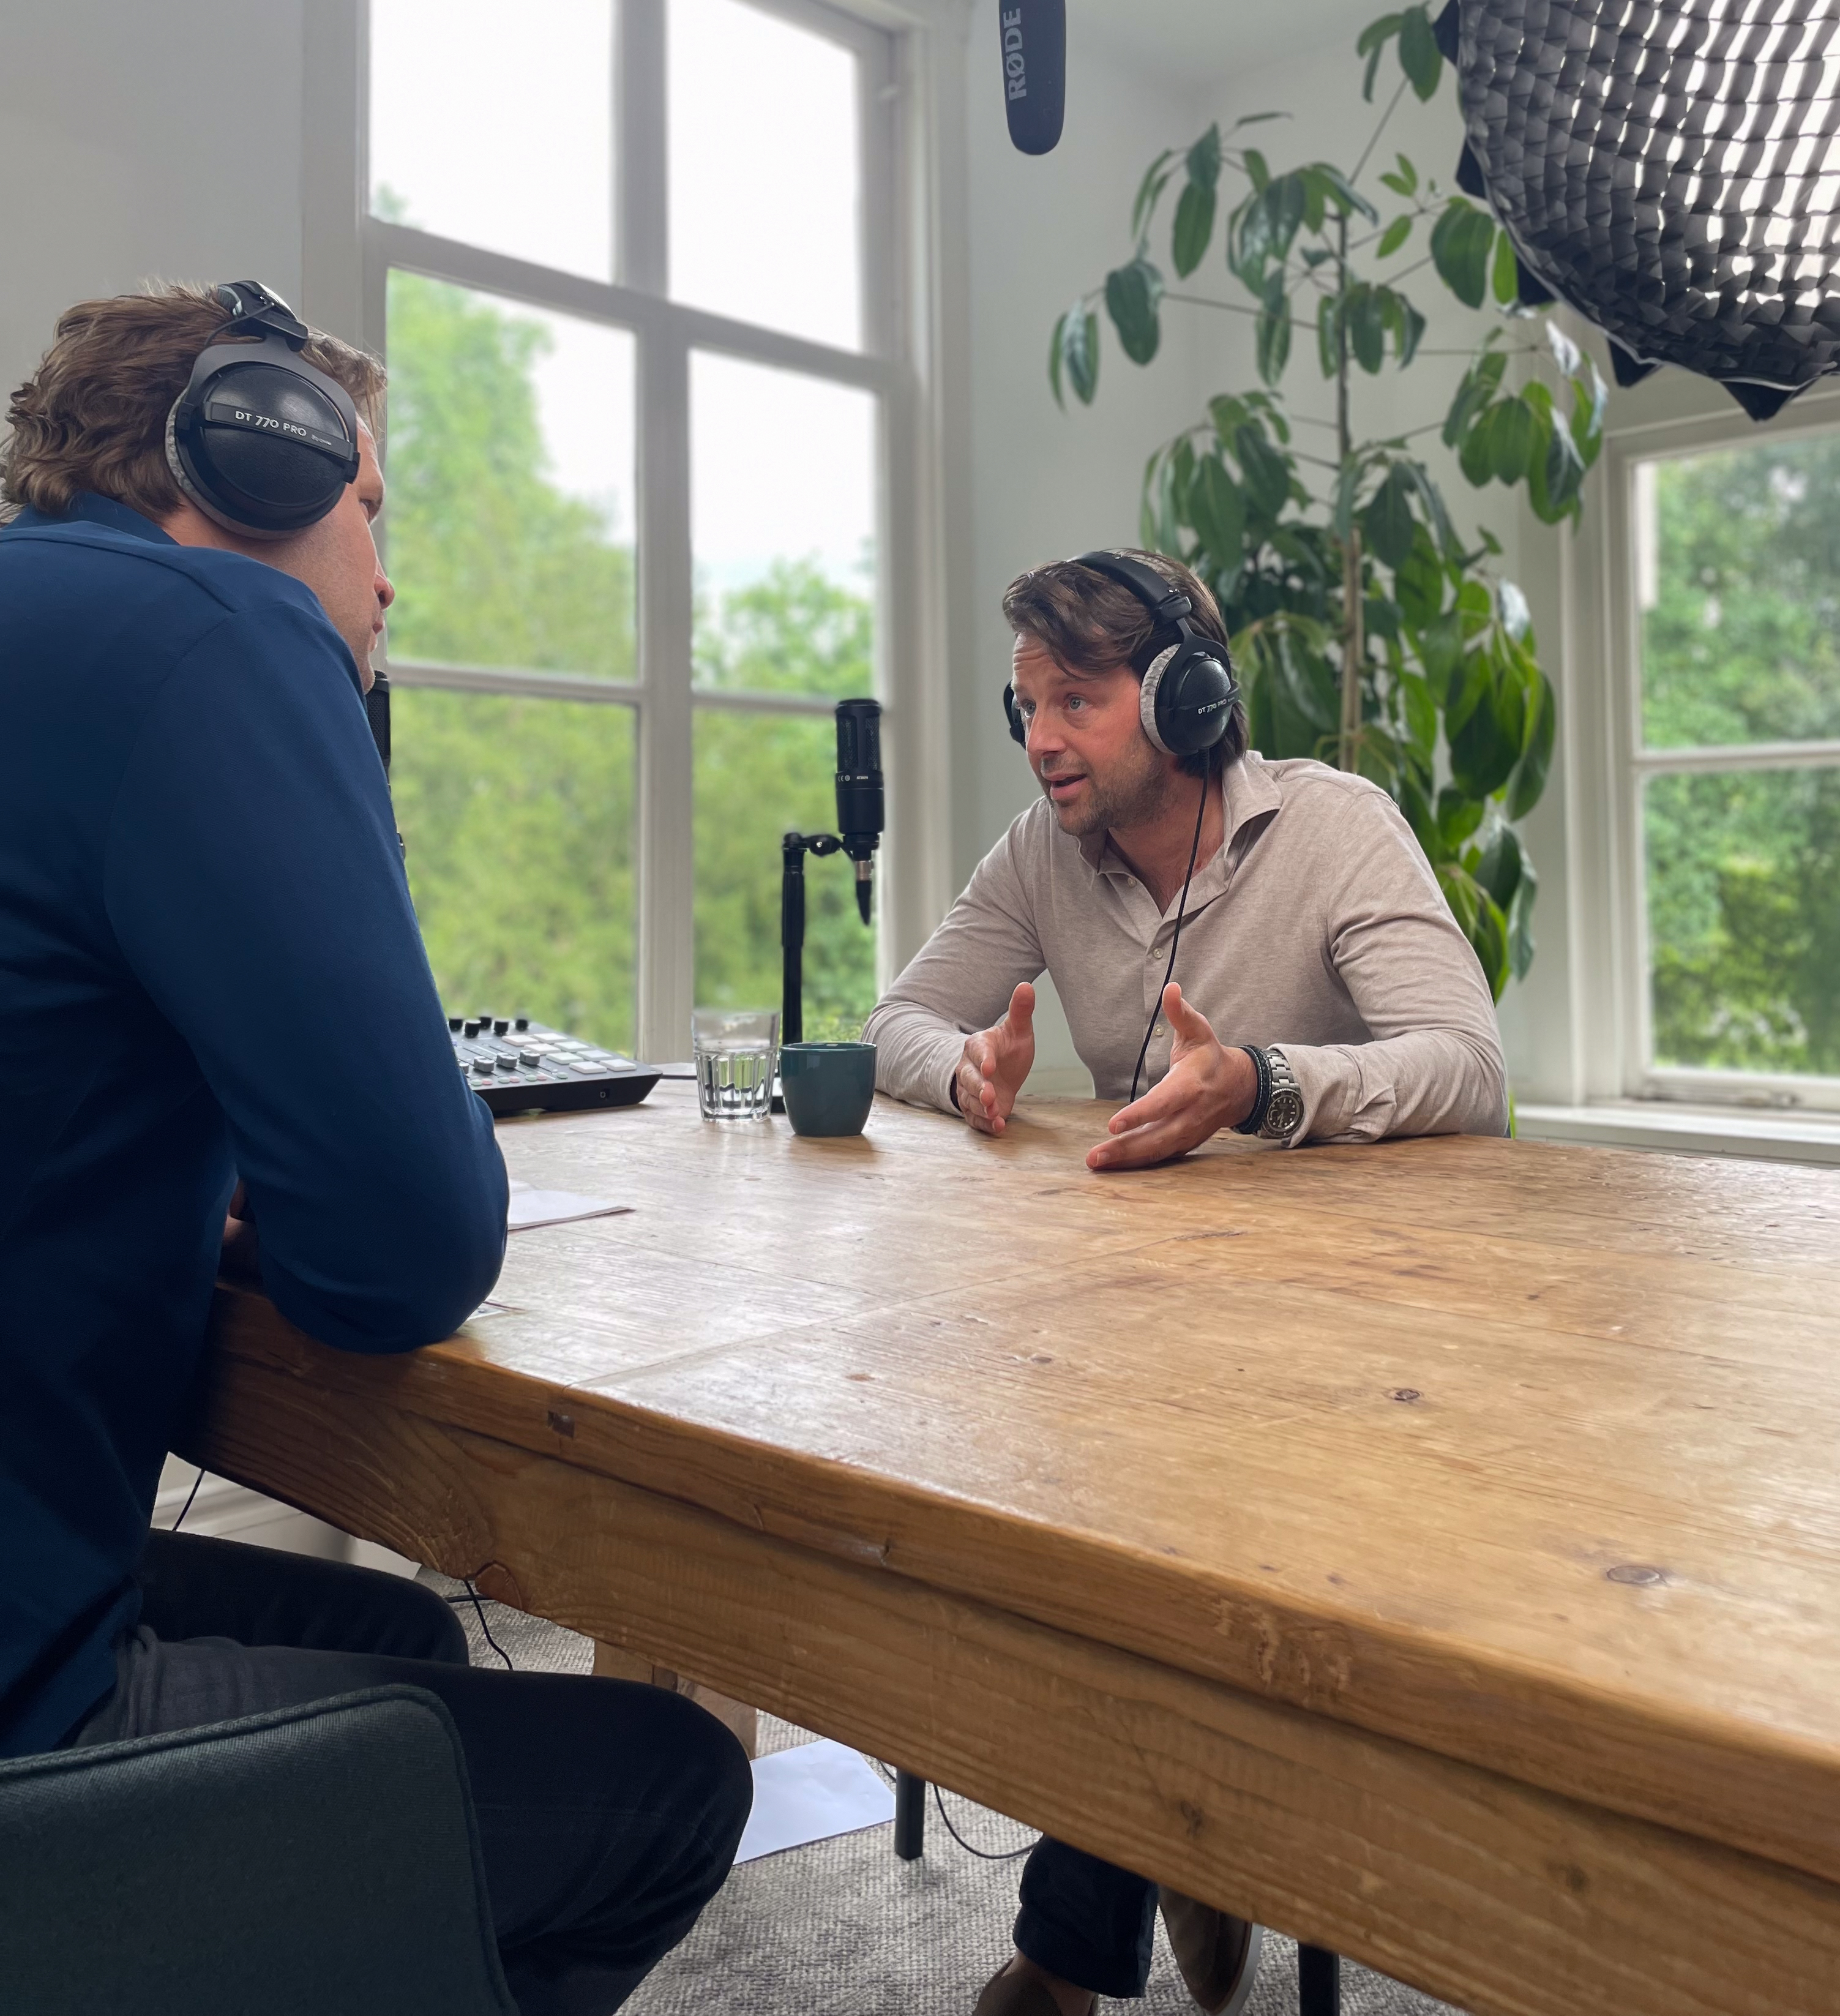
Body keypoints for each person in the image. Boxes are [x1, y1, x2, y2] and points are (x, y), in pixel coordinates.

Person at [0, 282, 750, 2015]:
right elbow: (404, 1252)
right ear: (254, 459)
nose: (390, 576)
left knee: (405, 1641)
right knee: (663, 1780)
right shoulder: (213, 634)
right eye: (372, 508)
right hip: (23, 1717)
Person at [864, 548, 1508, 2016]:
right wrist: (963, 1068)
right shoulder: (1041, 853)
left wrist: (1265, 1085)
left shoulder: (1337, 829)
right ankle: (1191, 1846)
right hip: (1137, 1345)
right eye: (1025, 706)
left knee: (1160, 1522)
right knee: (1061, 1505)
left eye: (1076, 702)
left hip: (1351, 1359)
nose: (1040, 740)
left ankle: (1069, 1952)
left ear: (1185, 698)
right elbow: (899, 1013)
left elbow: (1468, 1068)